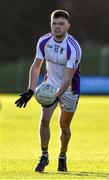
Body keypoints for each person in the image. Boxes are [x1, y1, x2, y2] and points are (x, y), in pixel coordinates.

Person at [15, 10, 82, 172]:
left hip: (69, 90)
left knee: (64, 127)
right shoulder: (44, 41)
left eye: (61, 23)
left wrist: (56, 96)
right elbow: (36, 66)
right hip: (49, 85)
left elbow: (67, 79)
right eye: (54, 23)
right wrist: (31, 89)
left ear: (68, 26)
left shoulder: (73, 48)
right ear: (50, 24)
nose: (57, 27)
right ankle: (44, 156)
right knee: (44, 120)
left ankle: (62, 155)